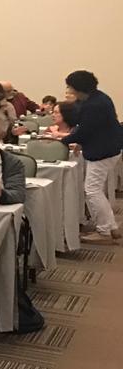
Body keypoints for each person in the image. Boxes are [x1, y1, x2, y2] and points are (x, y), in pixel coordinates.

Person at [62, 70, 123, 244]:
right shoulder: (99, 98)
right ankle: (111, 227)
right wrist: (79, 142)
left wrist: (63, 141)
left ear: (78, 88)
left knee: (92, 190)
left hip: (103, 150)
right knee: (94, 189)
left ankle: (104, 231)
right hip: (108, 147)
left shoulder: (94, 105)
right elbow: (91, 127)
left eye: (70, 87)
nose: (68, 90)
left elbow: (85, 130)